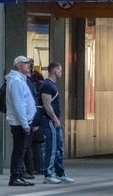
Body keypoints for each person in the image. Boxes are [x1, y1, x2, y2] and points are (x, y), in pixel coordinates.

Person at [5, 55, 36, 187]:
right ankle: (15, 176)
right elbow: (19, 104)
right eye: (25, 63)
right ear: (18, 65)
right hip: (19, 123)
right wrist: (25, 123)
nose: (28, 65)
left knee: (21, 149)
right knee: (19, 150)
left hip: (22, 121)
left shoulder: (19, 80)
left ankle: (18, 175)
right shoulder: (16, 81)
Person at [39, 61, 73, 184]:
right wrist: (54, 119)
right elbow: (47, 104)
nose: (61, 73)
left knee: (58, 147)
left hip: (54, 121)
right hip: (49, 121)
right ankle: (48, 173)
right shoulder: (47, 85)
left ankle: (60, 172)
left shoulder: (51, 85)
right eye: (60, 70)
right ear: (55, 71)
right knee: (52, 147)